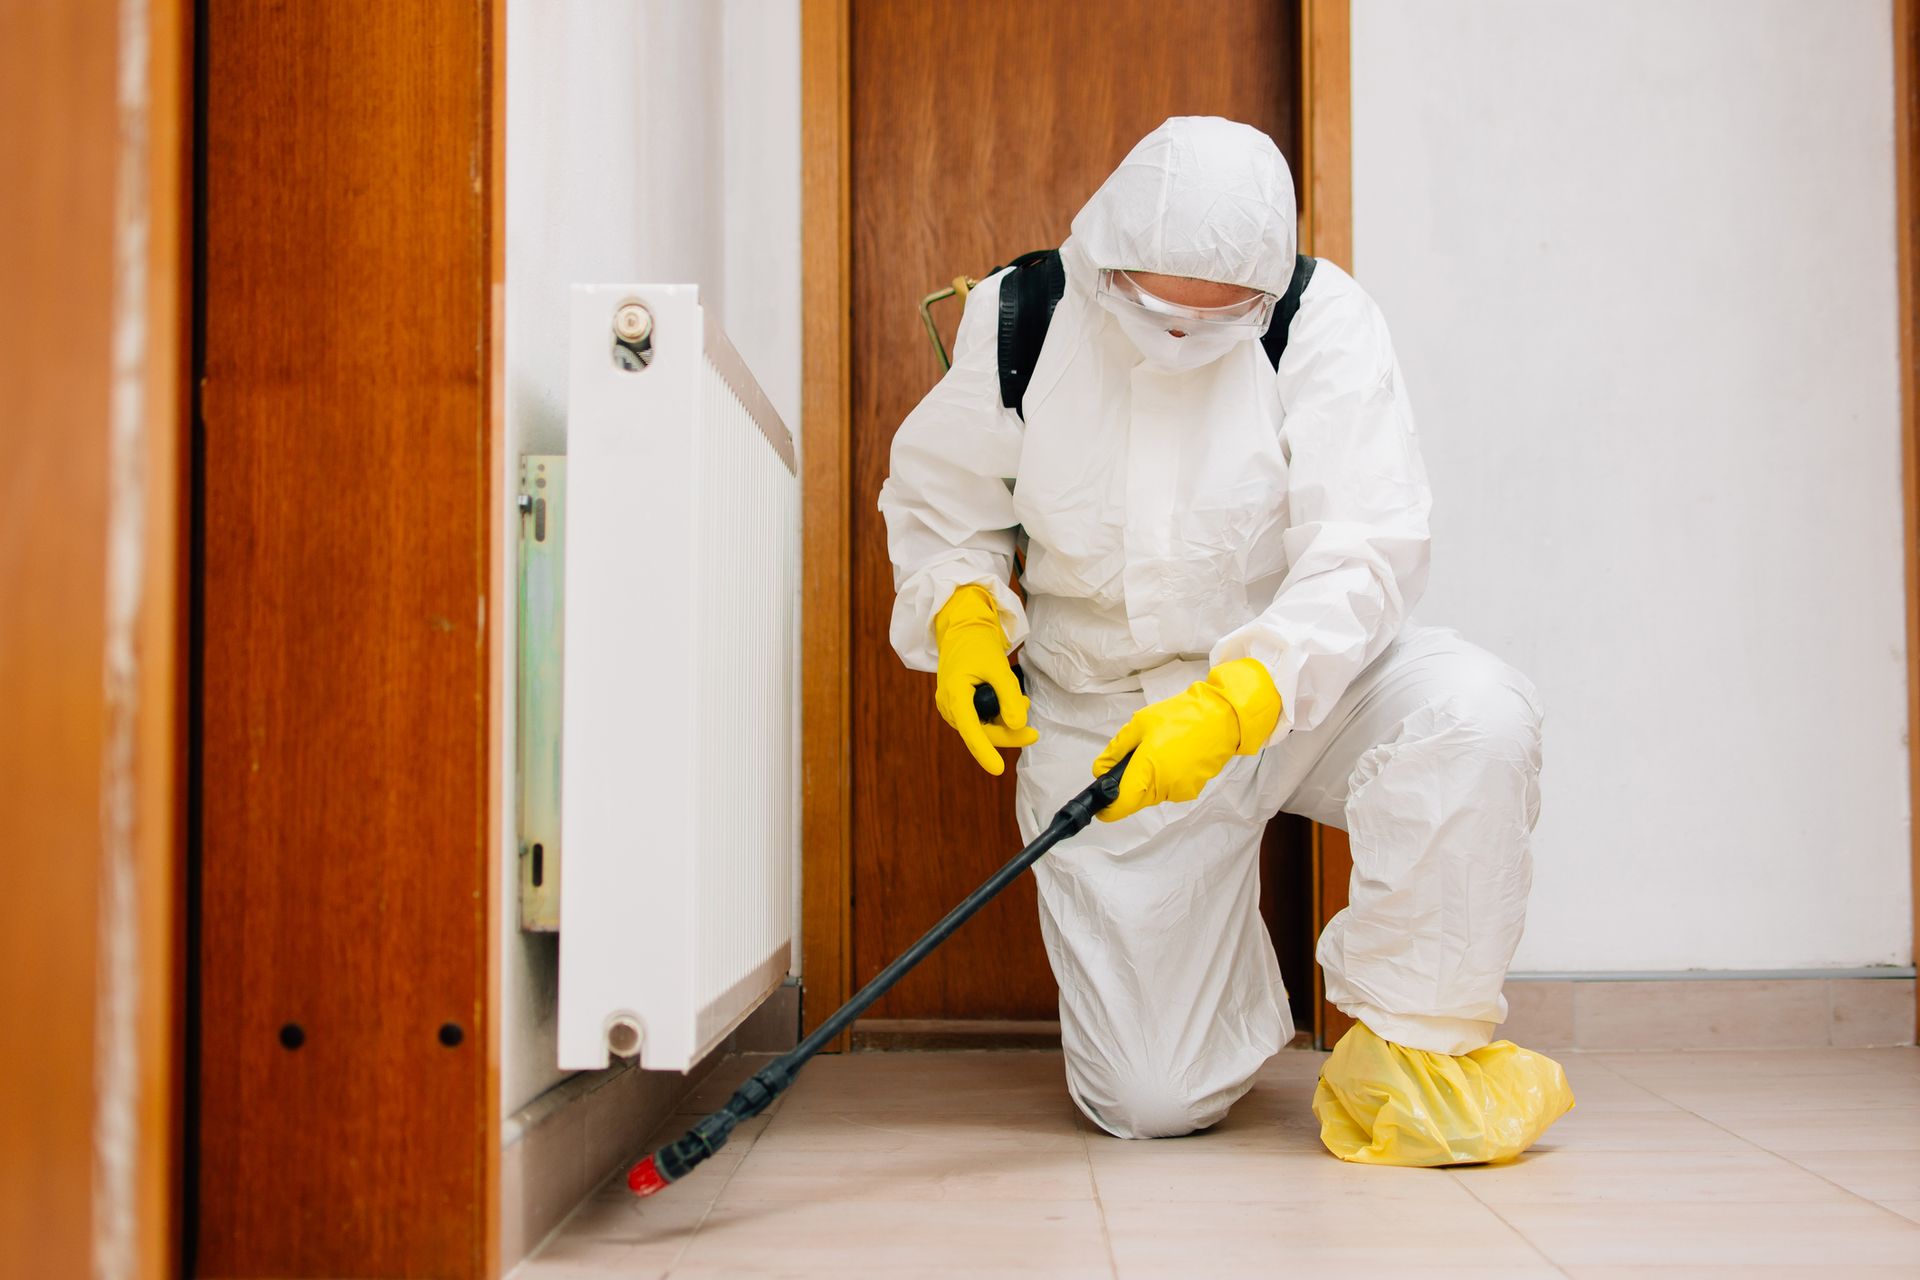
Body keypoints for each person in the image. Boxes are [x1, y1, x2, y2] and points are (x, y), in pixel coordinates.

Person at [879, 116, 1572, 1165]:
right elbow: (944, 507)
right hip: (1108, 716)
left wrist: (1243, 695)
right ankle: (1210, 964)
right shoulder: (1023, 314)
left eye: (1217, 320)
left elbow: (1366, 544)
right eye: (1154, 309)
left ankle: (1415, 1047)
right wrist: (965, 617)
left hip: (1299, 689)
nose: (1178, 338)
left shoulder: (1322, 319)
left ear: (1265, 291)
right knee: (1150, 1101)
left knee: (1471, 713)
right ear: (1105, 260)